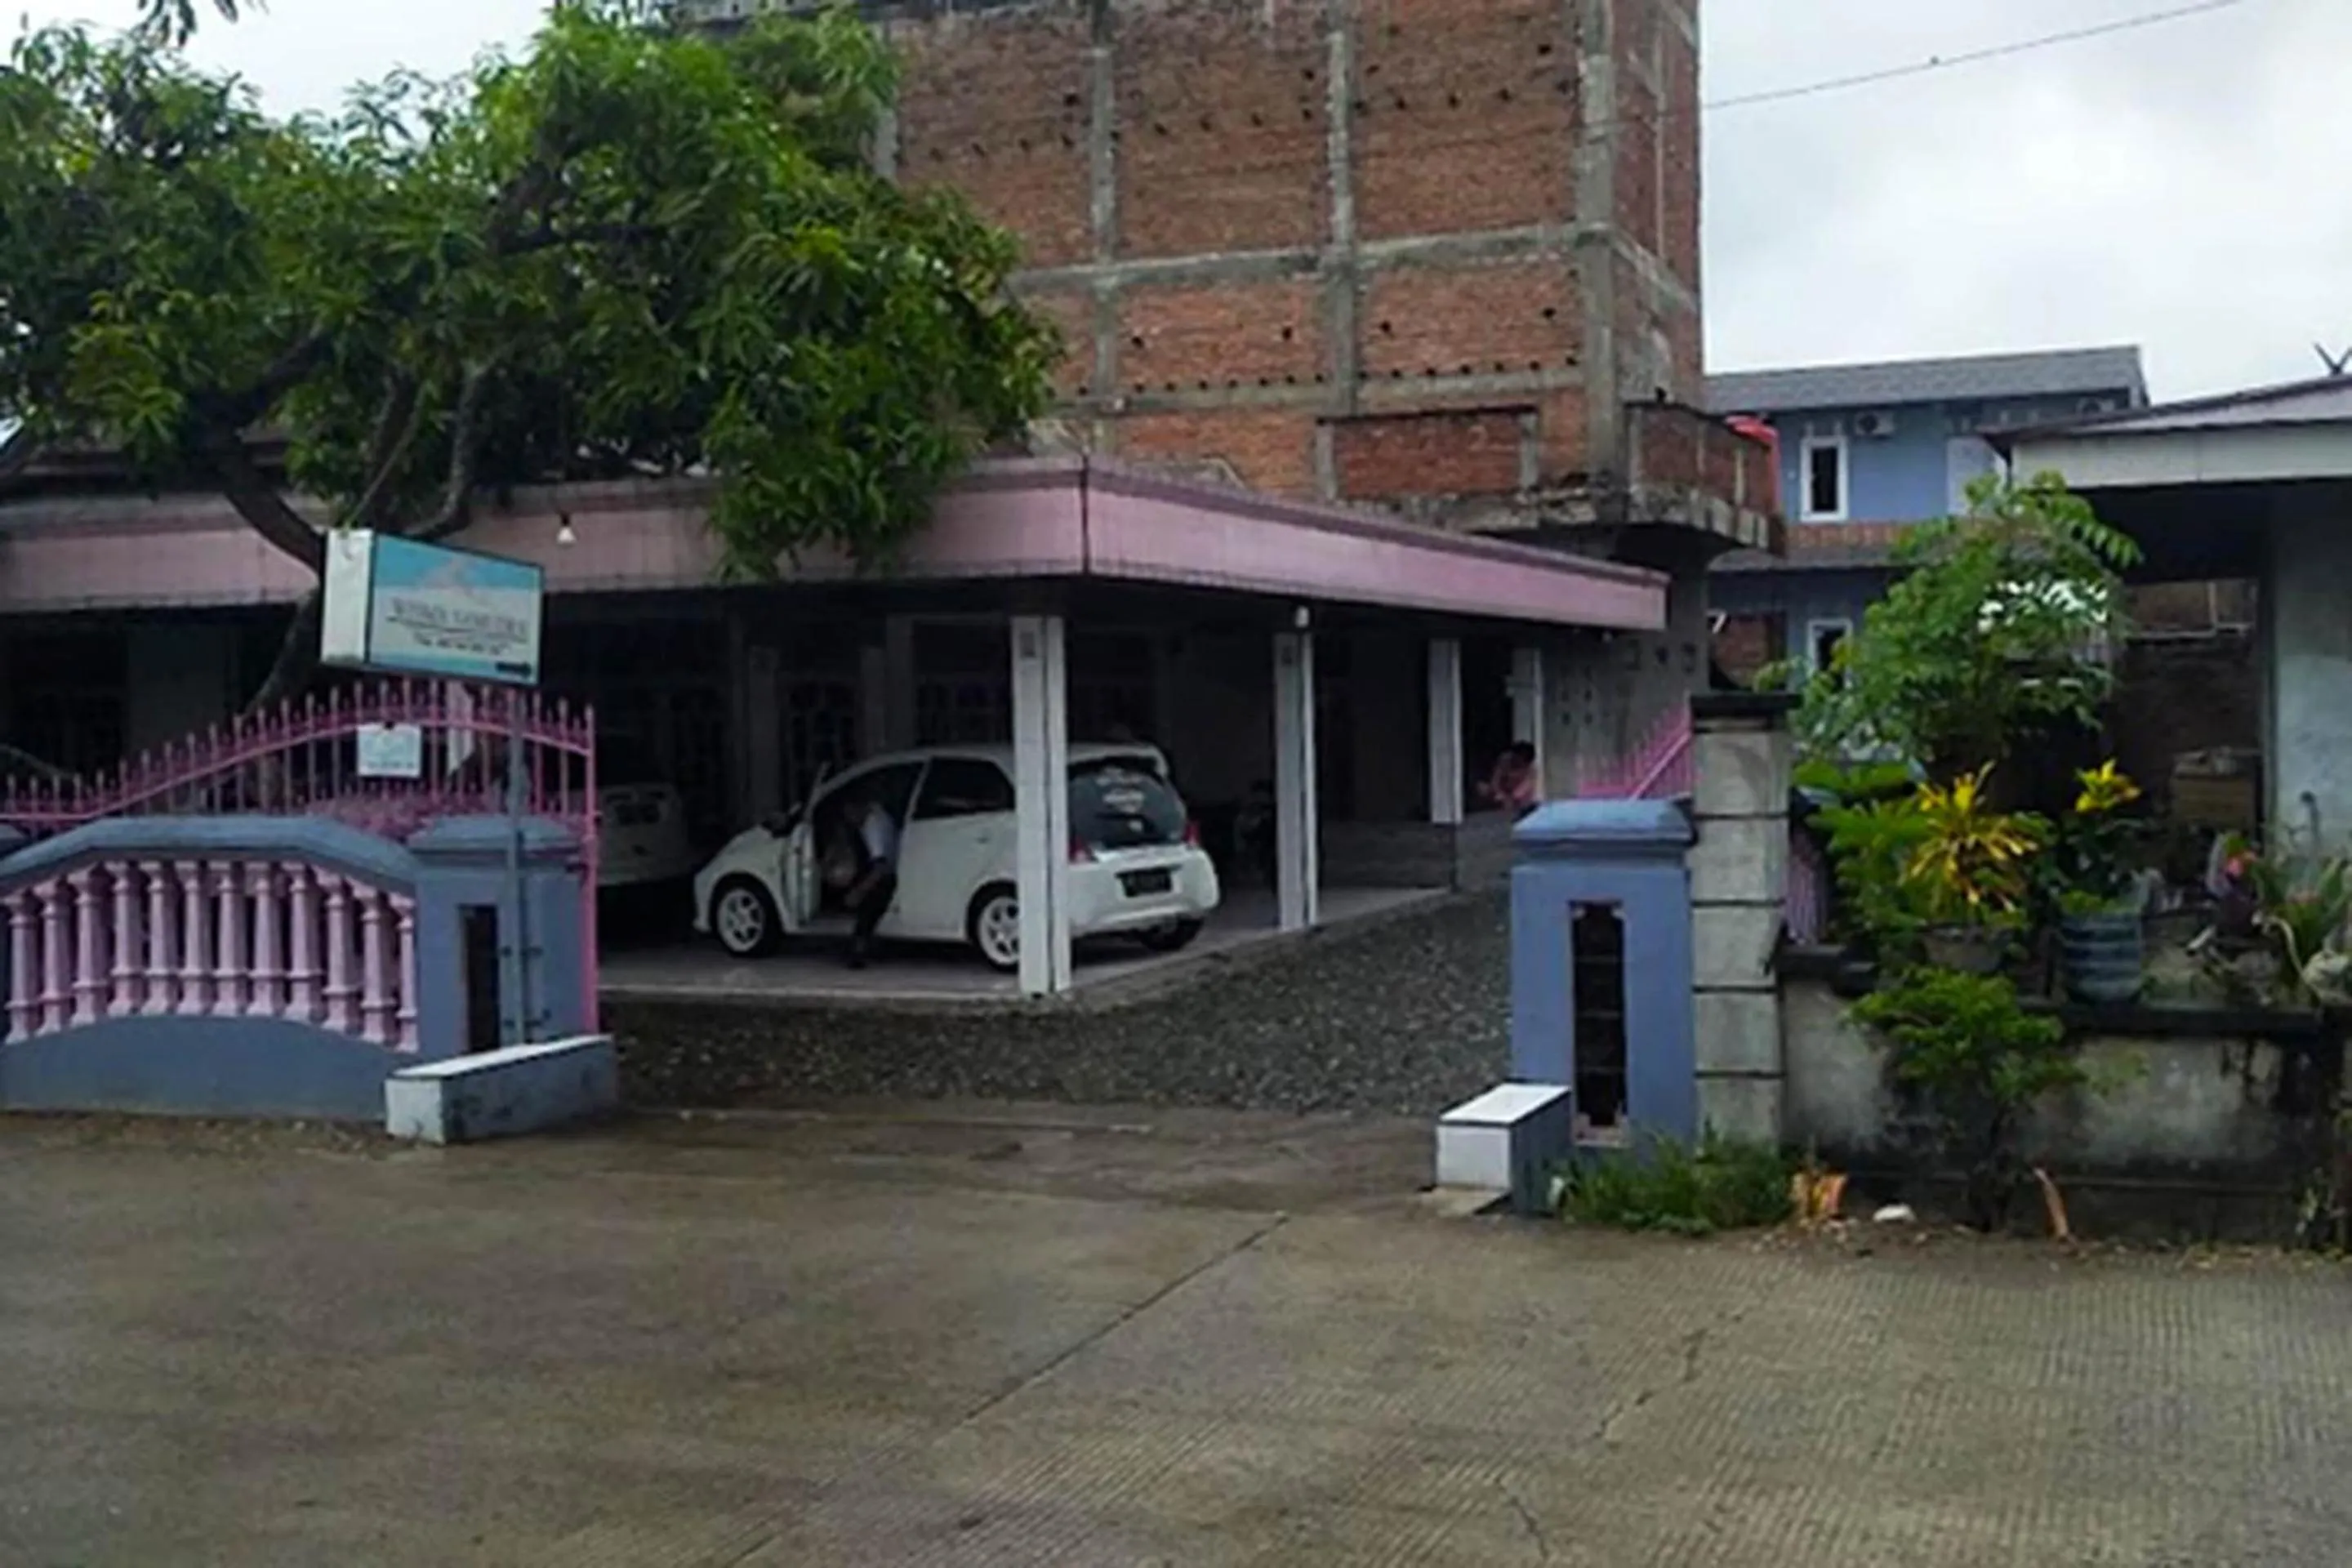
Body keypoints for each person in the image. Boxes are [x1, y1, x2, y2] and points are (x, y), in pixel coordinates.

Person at [844, 795, 900, 969]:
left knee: (866, 917)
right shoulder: (879, 814)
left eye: (849, 815)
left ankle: (858, 955)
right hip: (885, 874)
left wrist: (858, 892)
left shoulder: (872, 826)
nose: (850, 821)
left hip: (882, 878)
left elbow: (879, 867)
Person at [1480, 742, 1542, 819]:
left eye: (1524, 762)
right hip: (1503, 789)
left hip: (1519, 797)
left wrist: (1513, 797)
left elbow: (1526, 786)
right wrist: (1500, 793)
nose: (1521, 763)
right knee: (1483, 788)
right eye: (1519, 759)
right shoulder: (1505, 760)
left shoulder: (1531, 768)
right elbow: (1496, 779)